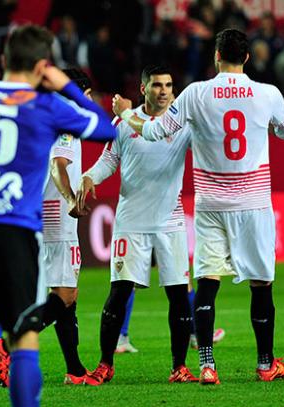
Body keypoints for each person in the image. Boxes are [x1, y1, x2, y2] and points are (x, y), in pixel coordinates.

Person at [0, 24, 116, 407]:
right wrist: (65, 85)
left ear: (2, 61)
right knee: (25, 336)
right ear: (43, 65)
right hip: (17, 229)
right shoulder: (47, 105)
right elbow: (101, 124)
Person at [111, 28, 284, 385]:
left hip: (211, 202)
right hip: (253, 203)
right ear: (246, 57)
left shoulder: (196, 93)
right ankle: (264, 364)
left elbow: (154, 132)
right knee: (262, 284)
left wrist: (125, 114)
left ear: (216, 56)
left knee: (208, 281)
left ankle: (207, 365)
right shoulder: (267, 93)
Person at [78, 65, 197, 385]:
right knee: (118, 293)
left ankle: (179, 366)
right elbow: (109, 160)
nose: (164, 91)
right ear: (143, 88)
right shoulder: (123, 124)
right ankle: (105, 364)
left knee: (177, 296)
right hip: (131, 222)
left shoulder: (182, 124)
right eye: (157, 85)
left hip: (170, 222)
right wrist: (90, 176)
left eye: (169, 85)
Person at [38, 66, 92, 385]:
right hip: (59, 215)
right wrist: (71, 198)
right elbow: (59, 166)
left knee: (65, 297)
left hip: (44, 213)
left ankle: (74, 370)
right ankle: (9, 343)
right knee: (66, 294)